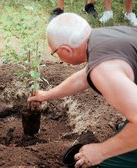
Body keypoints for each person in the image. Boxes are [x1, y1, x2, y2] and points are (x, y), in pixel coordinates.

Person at [28, 13, 137, 168]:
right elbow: (83, 78)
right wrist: (47, 95)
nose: (57, 56)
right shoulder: (103, 37)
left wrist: (101, 152)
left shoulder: (103, 69)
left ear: (66, 50)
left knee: (108, 162)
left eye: (55, 52)